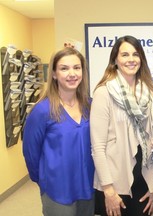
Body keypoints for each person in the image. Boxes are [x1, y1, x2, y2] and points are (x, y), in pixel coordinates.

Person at [90, 35, 153, 216]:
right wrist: (108, 190)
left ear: (141, 59)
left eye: (135, 54)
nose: (131, 59)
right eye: (125, 55)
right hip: (114, 183)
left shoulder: (151, 92)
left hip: (144, 180)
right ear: (115, 59)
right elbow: (98, 147)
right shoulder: (103, 92)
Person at [22, 47, 95, 216]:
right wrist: (43, 180)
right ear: (54, 74)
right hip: (57, 189)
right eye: (64, 68)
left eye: (77, 68)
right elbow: (31, 153)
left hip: (88, 186)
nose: (72, 73)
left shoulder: (90, 106)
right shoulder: (42, 110)